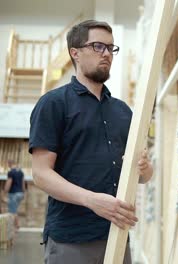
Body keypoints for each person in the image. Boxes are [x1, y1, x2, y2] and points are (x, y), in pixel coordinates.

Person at [29, 20, 153, 264]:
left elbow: (143, 176)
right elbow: (41, 174)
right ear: (75, 53)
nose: (106, 54)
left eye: (110, 48)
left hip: (117, 235)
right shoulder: (54, 104)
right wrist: (92, 200)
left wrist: (145, 168)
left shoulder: (123, 111)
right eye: (98, 46)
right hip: (71, 239)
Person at [4, 159, 26, 229]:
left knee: (12, 211)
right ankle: (16, 226)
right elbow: (23, 183)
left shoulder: (10, 172)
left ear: (10, 164)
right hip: (20, 193)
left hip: (13, 194)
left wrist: (5, 192)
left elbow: (9, 183)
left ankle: (16, 226)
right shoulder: (21, 172)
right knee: (15, 209)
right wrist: (23, 193)